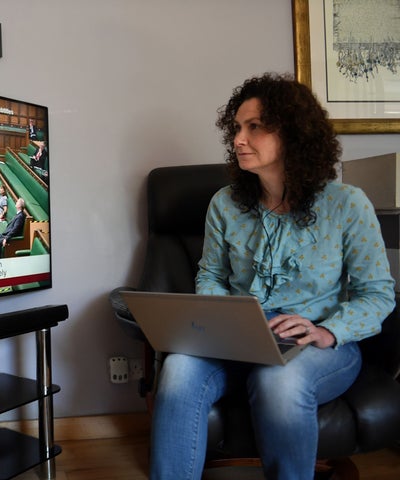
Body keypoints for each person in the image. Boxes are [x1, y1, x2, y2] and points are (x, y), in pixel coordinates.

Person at [149, 73, 396, 480]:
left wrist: (326, 331)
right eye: (237, 128)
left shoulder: (347, 204)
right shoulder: (225, 204)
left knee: (278, 382)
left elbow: (378, 294)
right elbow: (210, 275)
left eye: (254, 127)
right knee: (176, 369)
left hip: (318, 344)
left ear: (294, 135)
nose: (238, 139)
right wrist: (225, 319)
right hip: (235, 340)